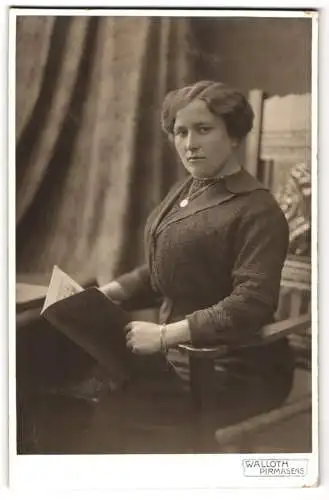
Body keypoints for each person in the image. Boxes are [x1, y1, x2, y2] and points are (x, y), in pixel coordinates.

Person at [99, 80, 294, 452]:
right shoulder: (187, 190)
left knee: (123, 420)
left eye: (204, 129)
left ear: (234, 135)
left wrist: (163, 336)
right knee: (92, 396)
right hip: (178, 353)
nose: (190, 143)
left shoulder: (258, 210)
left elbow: (252, 304)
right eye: (180, 132)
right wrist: (112, 292)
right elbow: (173, 267)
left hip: (237, 363)